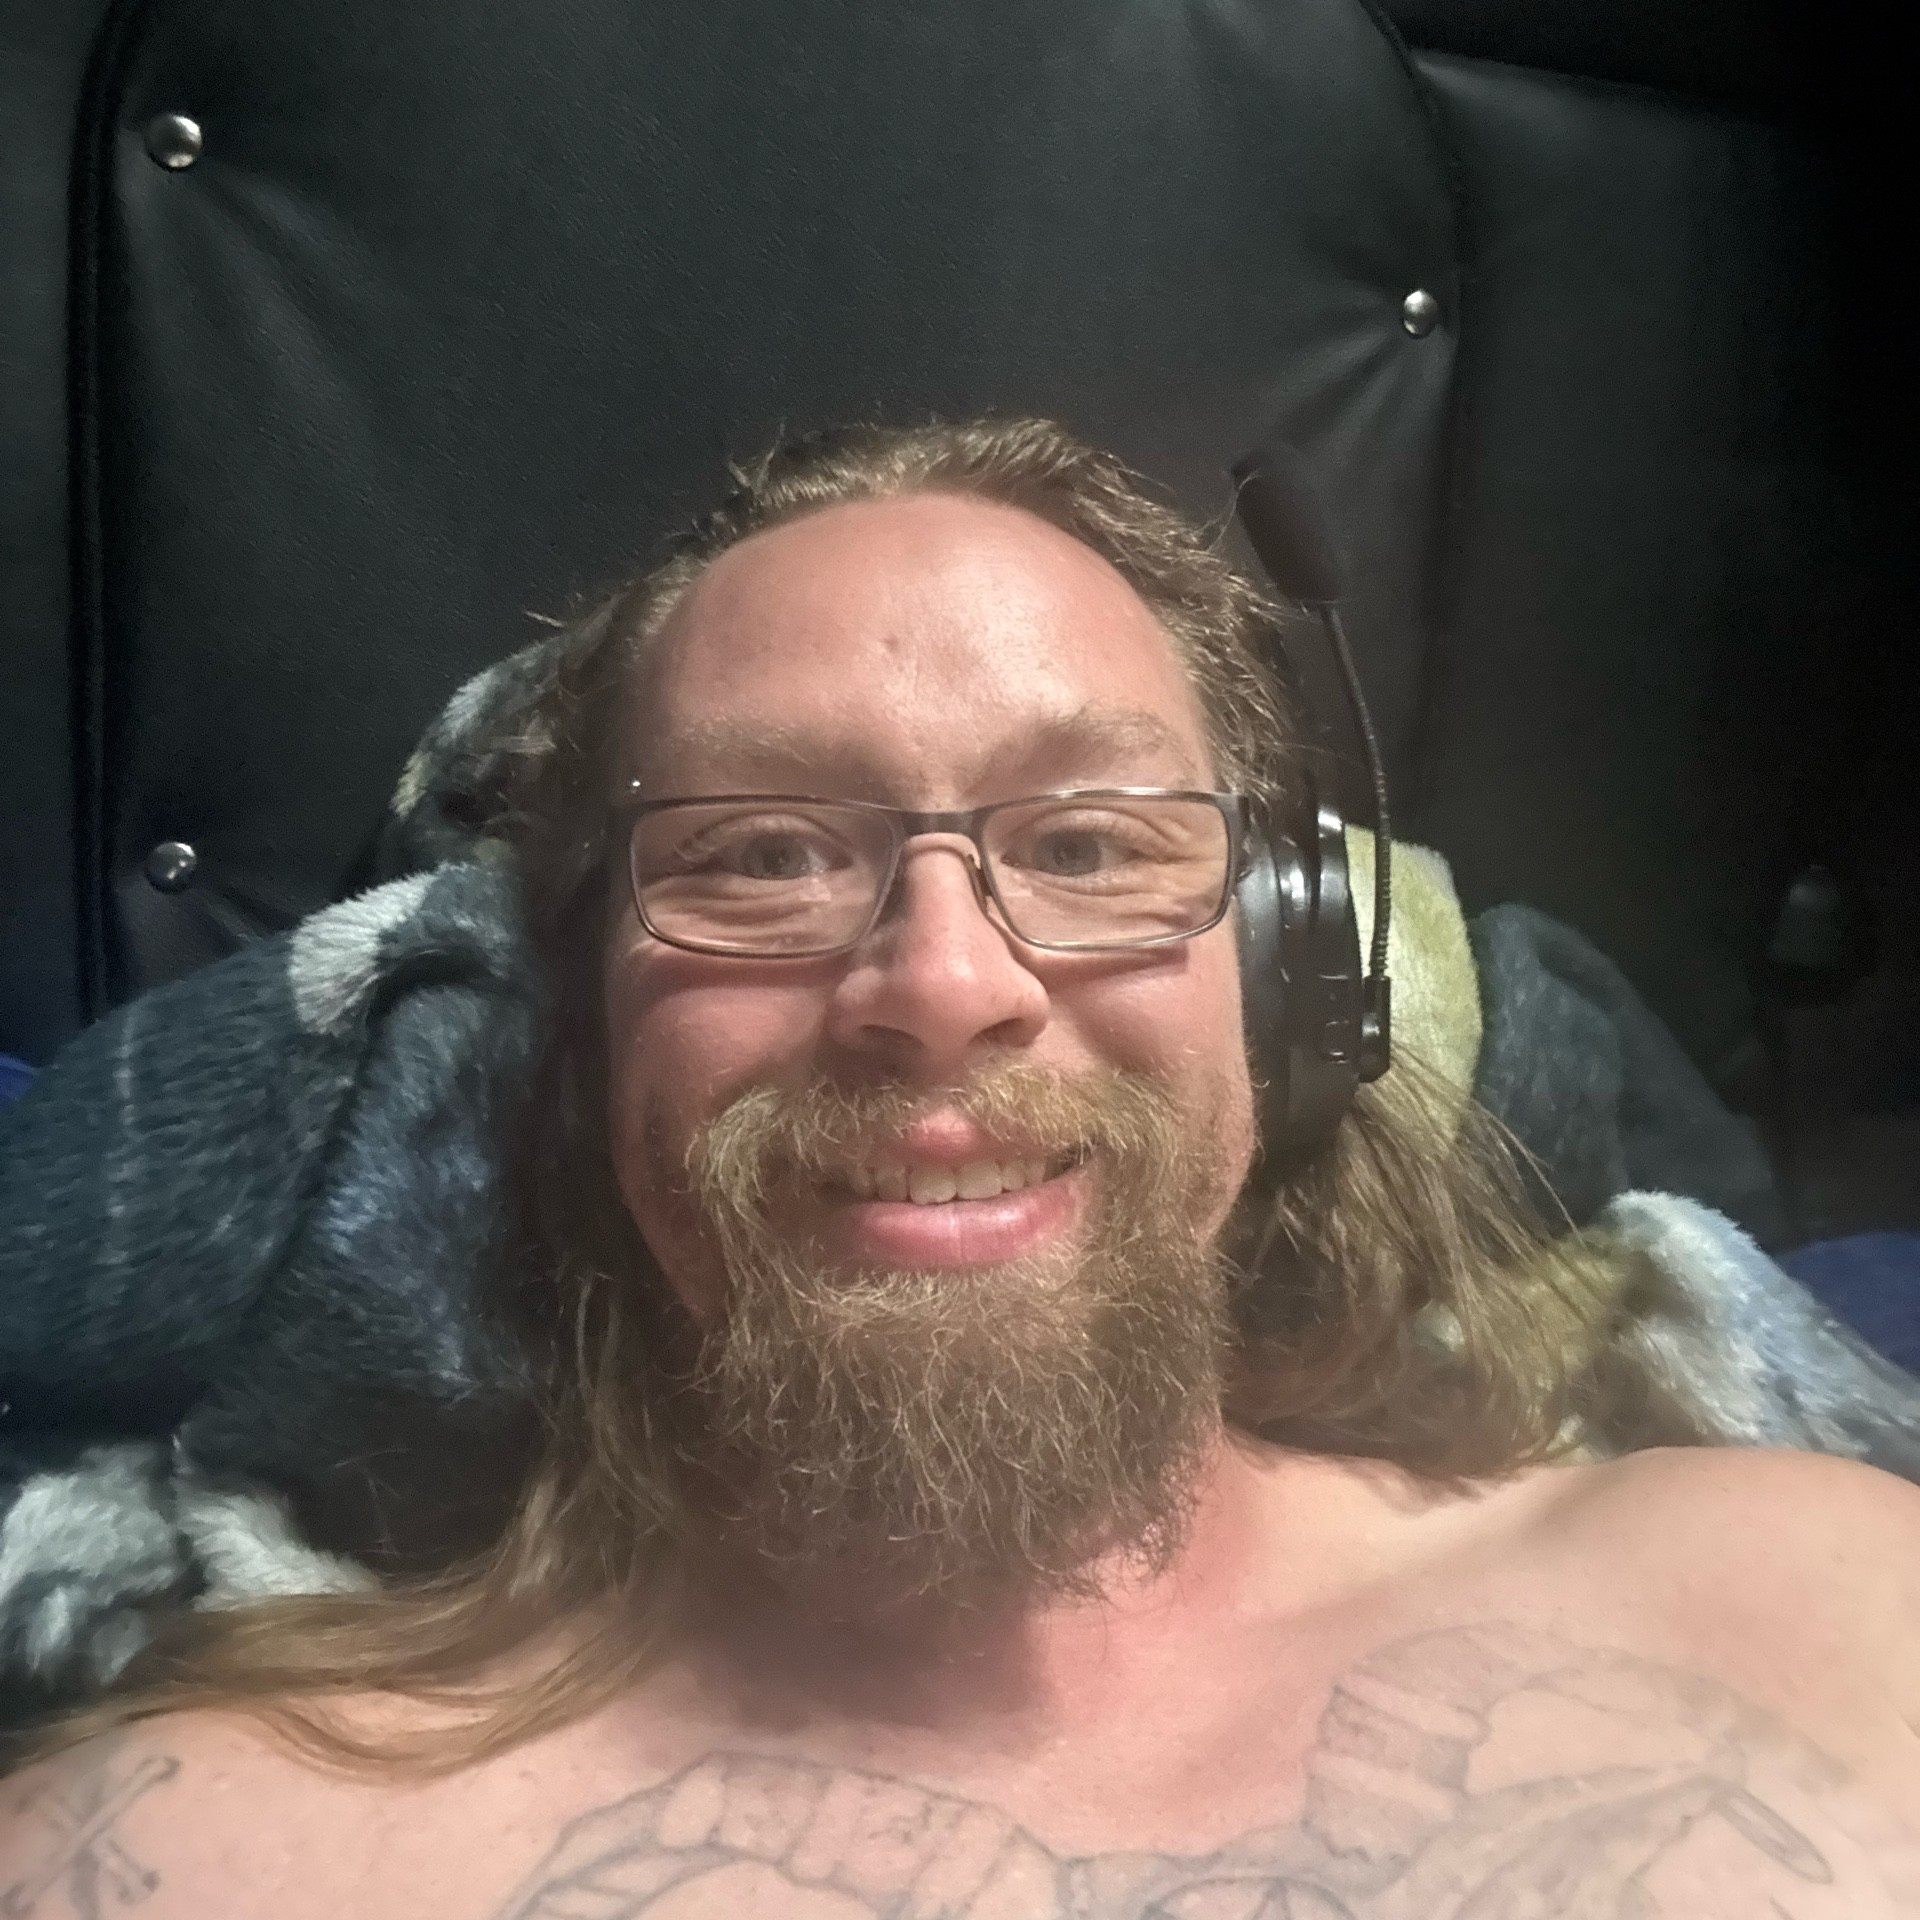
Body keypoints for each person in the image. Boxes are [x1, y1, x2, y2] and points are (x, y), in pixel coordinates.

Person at [2, 417, 1916, 1917]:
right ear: (580, 1043)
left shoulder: (1823, 1608)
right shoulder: (180, 1856)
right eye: (761, 856)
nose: (940, 986)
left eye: (1089, 846)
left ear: (1286, 996)